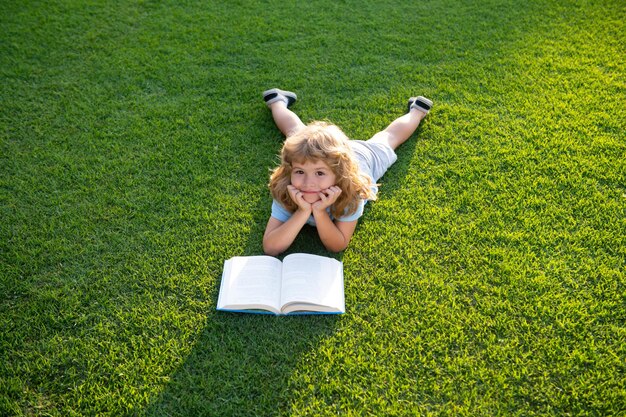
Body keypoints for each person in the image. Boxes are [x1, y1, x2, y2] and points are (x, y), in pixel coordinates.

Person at [261, 88, 432, 256]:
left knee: (388, 138)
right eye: (299, 172)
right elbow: (271, 247)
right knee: (294, 131)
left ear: (339, 174)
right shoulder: (287, 188)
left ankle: (417, 111)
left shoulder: (351, 193)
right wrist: (302, 211)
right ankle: (277, 101)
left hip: (361, 156)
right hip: (317, 153)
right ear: (290, 169)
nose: (308, 183)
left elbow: (337, 245)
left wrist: (319, 212)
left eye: (320, 173)